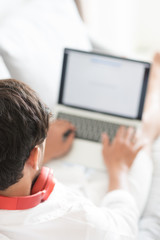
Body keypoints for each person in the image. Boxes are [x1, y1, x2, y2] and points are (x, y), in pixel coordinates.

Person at [0, 52, 159, 239]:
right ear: (34, 157)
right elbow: (123, 230)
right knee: (142, 137)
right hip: (107, 202)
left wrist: (42, 151)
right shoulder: (80, 220)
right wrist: (119, 170)